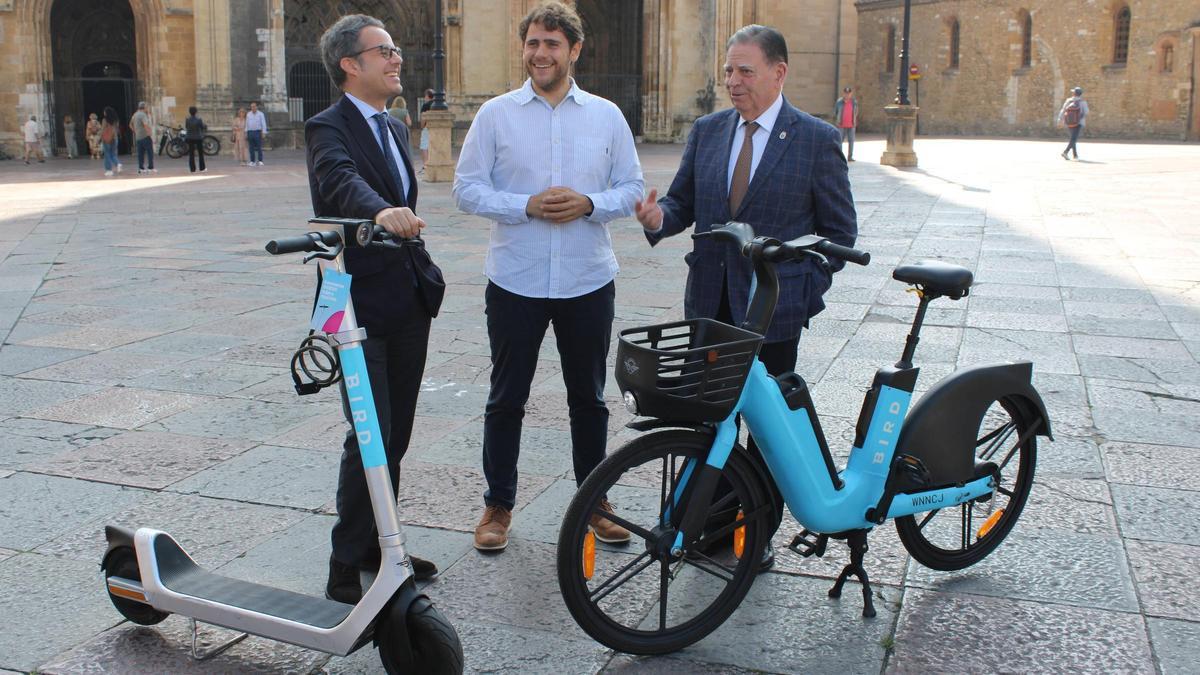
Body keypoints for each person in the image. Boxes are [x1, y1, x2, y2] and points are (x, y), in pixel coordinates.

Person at [633, 24, 858, 571]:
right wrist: (659, 218)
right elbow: (684, 202)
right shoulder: (709, 131)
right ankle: (709, 524)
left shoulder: (814, 139)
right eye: (728, 70)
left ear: (779, 73)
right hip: (711, 305)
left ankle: (753, 535)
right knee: (709, 419)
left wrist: (802, 292)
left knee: (768, 431)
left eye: (745, 71)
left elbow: (839, 235)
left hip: (772, 314)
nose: (733, 81)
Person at [453, 0, 643, 553]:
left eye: (552, 44)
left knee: (588, 397)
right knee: (506, 397)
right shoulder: (496, 115)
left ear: (574, 50)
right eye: (533, 43)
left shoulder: (606, 116)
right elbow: (466, 189)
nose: (540, 53)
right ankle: (498, 505)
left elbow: (631, 188)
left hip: (586, 278)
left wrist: (588, 202)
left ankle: (595, 501)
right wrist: (524, 206)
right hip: (516, 279)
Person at [306, 13, 441, 603]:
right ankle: (346, 560)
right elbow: (337, 182)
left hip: (406, 296)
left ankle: (378, 544)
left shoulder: (395, 127)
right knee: (370, 431)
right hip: (353, 301)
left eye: (395, 49)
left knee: (397, 433)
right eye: (383, 51)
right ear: (350, 65)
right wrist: (379, 210)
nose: (396, 59)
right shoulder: (326, 126)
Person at [1057, 86, 1089, 160]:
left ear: (1074, 93)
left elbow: (1063, 110)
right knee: (1074, 139)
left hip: (1069, 122)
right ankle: (1065, 152)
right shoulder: (1082, 102)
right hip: (1078, 123)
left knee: (1072, 138)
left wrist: (1060, 119)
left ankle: (1075, 155)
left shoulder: (1068, 100)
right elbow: (1086, 112)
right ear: (1080, 94)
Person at [833, 85, 858, 161]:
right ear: (843, 93)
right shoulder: (839, 102)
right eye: (845, 93)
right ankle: (839, 157)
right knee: (839, 141)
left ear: (851, 94)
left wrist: (854, 120)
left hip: (851, 125)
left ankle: (850, 157)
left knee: (851, 141)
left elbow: (856, 111)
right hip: (841, 125)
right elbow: (835, 112)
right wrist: (837, 121)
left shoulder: (854, 102)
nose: (847, 95)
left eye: (849, 93)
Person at [130, 101, 156, 174]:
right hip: (145, 136)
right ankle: (150, 167)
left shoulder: (135, 114)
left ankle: (141, 168)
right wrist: (149, 133)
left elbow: (130, 125)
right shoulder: (143, 115)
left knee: (140, 153)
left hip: (138, 137)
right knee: (150, 152)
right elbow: (145, 125)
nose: (147, 109)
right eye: (146, 107)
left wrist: (136, 131)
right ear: (144, 107)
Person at [184, 106, 207, 173]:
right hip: (198, 137)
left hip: (190, 137)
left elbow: (186, 127)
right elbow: (202, 127)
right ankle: (202, 168)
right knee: (200, 153)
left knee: (191, 154)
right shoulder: (199, 119)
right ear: (196, 112)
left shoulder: (187, 120)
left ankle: (192, 169)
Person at [100, 107, 121, 176]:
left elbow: (103, 130)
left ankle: (109, 170)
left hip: (107, 139)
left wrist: (101, 137)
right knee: (113, 154)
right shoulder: (116, 120)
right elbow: (117, 129)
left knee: (107, 154)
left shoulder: (105, 120)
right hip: (114, 138)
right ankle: (117, 163)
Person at [246, 100, 267, 165]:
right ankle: (252, 161)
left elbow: (263, 123)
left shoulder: (261, 114)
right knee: (251, 147)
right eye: (252, 107)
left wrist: (264, 132)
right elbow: (247, 124)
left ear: (257, 107)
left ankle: (260, 160)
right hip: (250, 132)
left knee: (259, 147)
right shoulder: (248, 114)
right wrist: (246, 132)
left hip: (258, 132)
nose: (253, 108)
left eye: (254, 106)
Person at [418, 88, 433, 169]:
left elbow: (423, 117)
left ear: (427, 96)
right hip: (436, 129)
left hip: (427, 128)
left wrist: (422, 126)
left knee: (424, 146)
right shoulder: (438, 104)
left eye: (425, 96)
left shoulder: (426, 105)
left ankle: (426, 165)